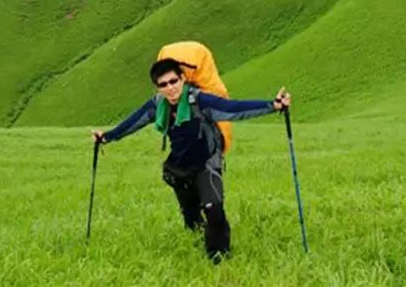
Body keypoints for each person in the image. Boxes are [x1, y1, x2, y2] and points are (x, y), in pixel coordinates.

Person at [92, 58, 291, 263]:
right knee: (192, 218)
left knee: (213, 209)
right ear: (157, 88)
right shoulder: (158, 105)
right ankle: (195, 242)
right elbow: (133, 122)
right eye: (163, 84)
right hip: (179, 169)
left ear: (183, 79)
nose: (170, 88)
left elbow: (233, 108)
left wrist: (273, 105)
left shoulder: (200, 101)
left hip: (206, 164)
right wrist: (107, 136)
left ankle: (219, 259)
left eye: (173, 81)